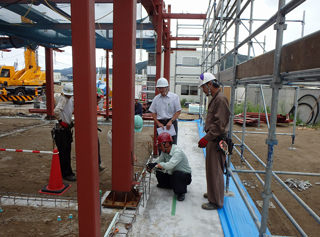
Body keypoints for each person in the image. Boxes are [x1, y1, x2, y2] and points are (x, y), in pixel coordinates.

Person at [198, 72, 230, 210]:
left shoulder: (220, 100)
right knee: (211, 169)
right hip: (213, 139)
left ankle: (216, 201)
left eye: (203, 87)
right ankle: (213, 193)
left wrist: (206, 138)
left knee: (216, 170)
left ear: (210, 84)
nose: (203, 90)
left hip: (216, 140)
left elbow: (219, 125)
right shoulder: (216, 98)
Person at [147, 132, 192, 201]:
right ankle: (170, 185)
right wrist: (152, 166)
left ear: (166, 143)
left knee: (177, 174)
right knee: (159, 171)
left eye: (160, 145)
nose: (159, 147)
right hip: (172, 173)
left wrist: (157, 165)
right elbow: (159, 161)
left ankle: (181, 192)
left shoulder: (177, 152)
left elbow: (170, 165)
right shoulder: (164, 151)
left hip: (184, 175)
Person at [53, 83, 76, 182]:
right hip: (62, 130)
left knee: (67, 151)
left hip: (66, 129)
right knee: (64, 152)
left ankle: (68, 171)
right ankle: (66, 173)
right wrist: (61, 121)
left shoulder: (70, 99)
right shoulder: (63, 99)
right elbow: (56, 111)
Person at [149, 77, 181, 144]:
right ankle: (161, 154)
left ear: (167, 87)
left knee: (172, 145)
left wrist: (171, 121)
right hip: (161, 124)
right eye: (159, 88)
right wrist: (158, 123)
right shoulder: (156, 99)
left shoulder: (174, 97)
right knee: (161, 145)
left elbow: (178, 111)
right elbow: (153, 112)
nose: (161, 90)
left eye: (162, 88)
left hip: (171, 123)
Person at [96, 88, 105, 172]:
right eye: (99, 98)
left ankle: (97, 164)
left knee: (97, 146)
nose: (99, 100)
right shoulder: (89, 105)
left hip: (92, 130)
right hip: (87, 132)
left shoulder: (94, 105)